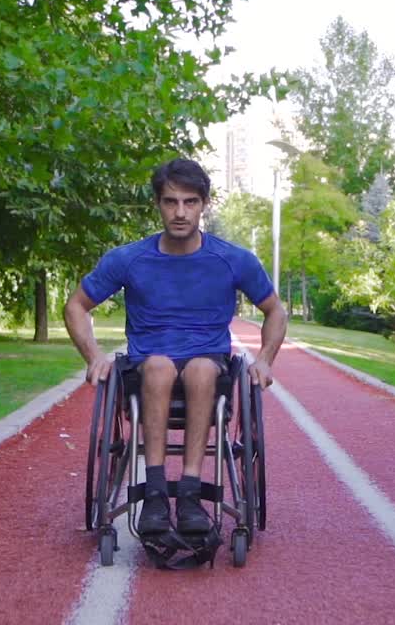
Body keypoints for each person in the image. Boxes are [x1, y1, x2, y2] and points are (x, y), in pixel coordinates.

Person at [64, 157, 287, 536]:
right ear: (158, 204)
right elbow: (76, 306)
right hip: (147, 366)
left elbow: (275, 311)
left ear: (204, 204)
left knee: (201, 368)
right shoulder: (129, 259)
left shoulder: (233, 259)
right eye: (171, 202)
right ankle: (153, 495)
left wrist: (265, 360)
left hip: (209, 366)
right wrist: (94, 357)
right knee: (160, 366)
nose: (180, 212)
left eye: (190, 202)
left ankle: (189, 494)